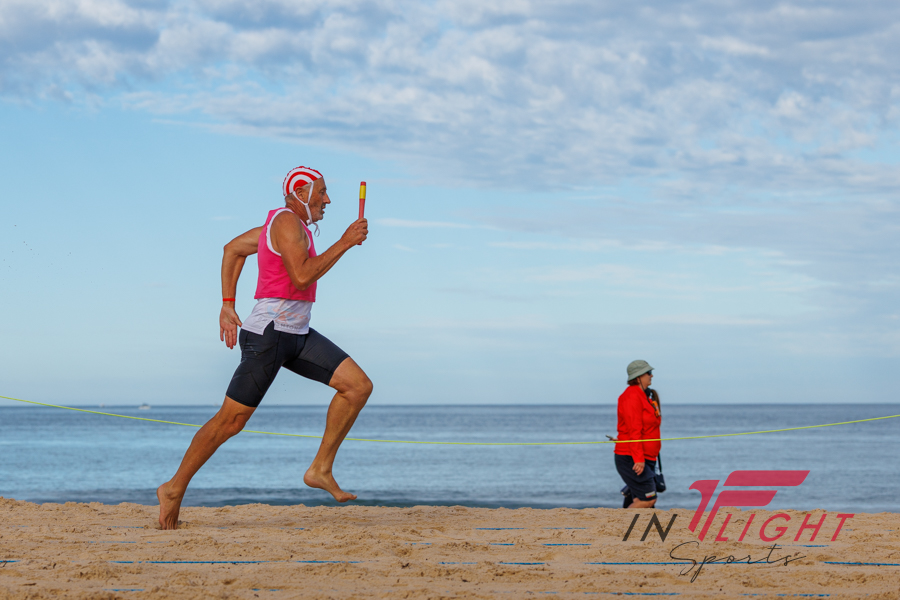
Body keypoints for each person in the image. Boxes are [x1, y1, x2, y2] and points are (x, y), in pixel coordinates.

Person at [157, 166, 372, 530]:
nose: (327, 199)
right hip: (269, 334)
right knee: (231, 421)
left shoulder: (288, 227)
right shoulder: (286, 222)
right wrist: (345, 241)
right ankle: (173, 488)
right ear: (301, 192)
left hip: (297, 333)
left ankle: (320, 469)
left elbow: (233, 249)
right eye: (321, 192)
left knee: (357, 387)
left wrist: (228, 303)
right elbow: (301, 275)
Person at [614, 360, 662, 508]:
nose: (651, 375)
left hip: (647, 457)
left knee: (641, 502)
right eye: (649, 373)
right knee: (648, 500)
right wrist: (638, 459)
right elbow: (634, 430)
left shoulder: (644, 396)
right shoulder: (632, 396)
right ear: (639, 376)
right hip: (632, 457)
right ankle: (619, 521)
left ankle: (626, 521)